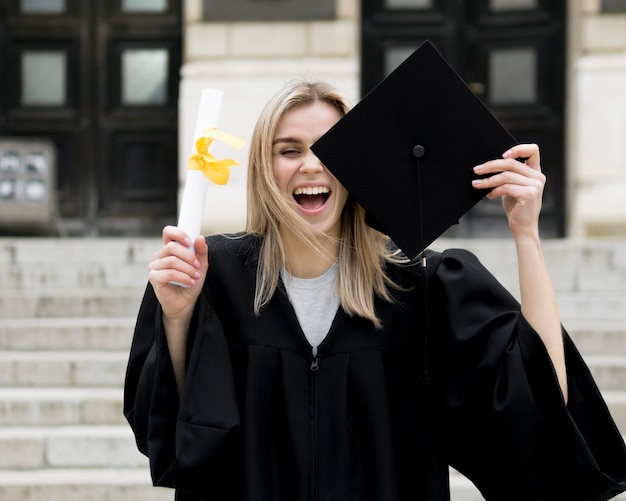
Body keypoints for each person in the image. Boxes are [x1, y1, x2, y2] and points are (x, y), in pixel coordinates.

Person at [124, 79, 626, 501]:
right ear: (263, 168)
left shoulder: (421, 289)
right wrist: (177, 317)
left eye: (328, 149)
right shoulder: (212, 277)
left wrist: (527, 236)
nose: (312, 166)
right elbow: (174, 433)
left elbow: (542, 405)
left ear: (358, 165)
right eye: (289, 150)